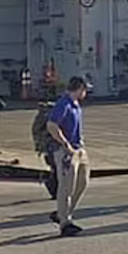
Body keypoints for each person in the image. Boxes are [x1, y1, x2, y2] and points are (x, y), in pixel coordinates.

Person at [46, 76, 91, 236]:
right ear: (79, 89)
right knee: (66, 187)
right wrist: (66, 144)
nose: (86, 93)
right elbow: (52, 125)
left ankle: (61, 213)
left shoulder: (76, 105)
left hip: (79, 148)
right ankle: (65, 223)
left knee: (83, 182)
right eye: (85, 90)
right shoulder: (63, 104)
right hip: (66, 151)